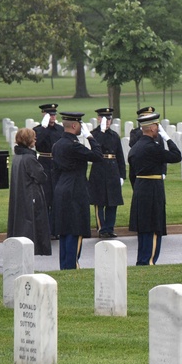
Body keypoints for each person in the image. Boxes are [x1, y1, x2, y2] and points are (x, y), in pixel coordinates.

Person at [128, 111, 182, 265]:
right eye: (157, 126)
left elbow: (132, 173)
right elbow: (176, 156)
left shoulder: (136, 147)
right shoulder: (152, 147)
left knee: (144, 228)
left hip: (140, 188)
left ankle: (142, 259)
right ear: (151, 128)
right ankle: (149, 261)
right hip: (152, 189)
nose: (158, 129)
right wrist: (168, 138)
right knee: (153, 226)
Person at [52, 111, 103, 269]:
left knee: (65, 230)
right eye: (81, 124)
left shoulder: (57, 145)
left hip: (61, 187)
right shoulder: (74, 146)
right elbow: (97, 156)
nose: (82, 127)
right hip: (75, 189)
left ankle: (65, 266)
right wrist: (90, 137)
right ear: (74, 125)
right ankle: (72, 265)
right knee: (76, 229)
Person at [6, 128, 51, 255]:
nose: (35, 140)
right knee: (30, 225)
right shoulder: (29, 158)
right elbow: (41, 177)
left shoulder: (17, 157)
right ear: (28, 140)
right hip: (30, 196)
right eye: (33, 137)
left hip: (21, 195)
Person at [87, 107, 125, 239]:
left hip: (112, 170)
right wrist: (102, 132)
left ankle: (110, 227)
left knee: (112, 202)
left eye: (109, 119)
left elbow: (119, 156)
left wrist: (122, 175)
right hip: (99, 169)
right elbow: (96, 147)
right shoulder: (94, 134)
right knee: (100, 202)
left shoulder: (114, 135)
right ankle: (101, 228)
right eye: (104, 118)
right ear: (98, 119)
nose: (107, 121)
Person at [33, 103, 64, 237]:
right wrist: (44, 128)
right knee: (45, 198)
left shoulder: (60, 129)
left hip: (57, 164)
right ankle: (45, 230)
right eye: (50, 115)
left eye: (54, 114)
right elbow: (38, 143)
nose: (53, 117)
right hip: (44, 163)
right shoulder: (38, 129)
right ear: (44, 115)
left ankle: (55, 229)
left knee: (57, 199)